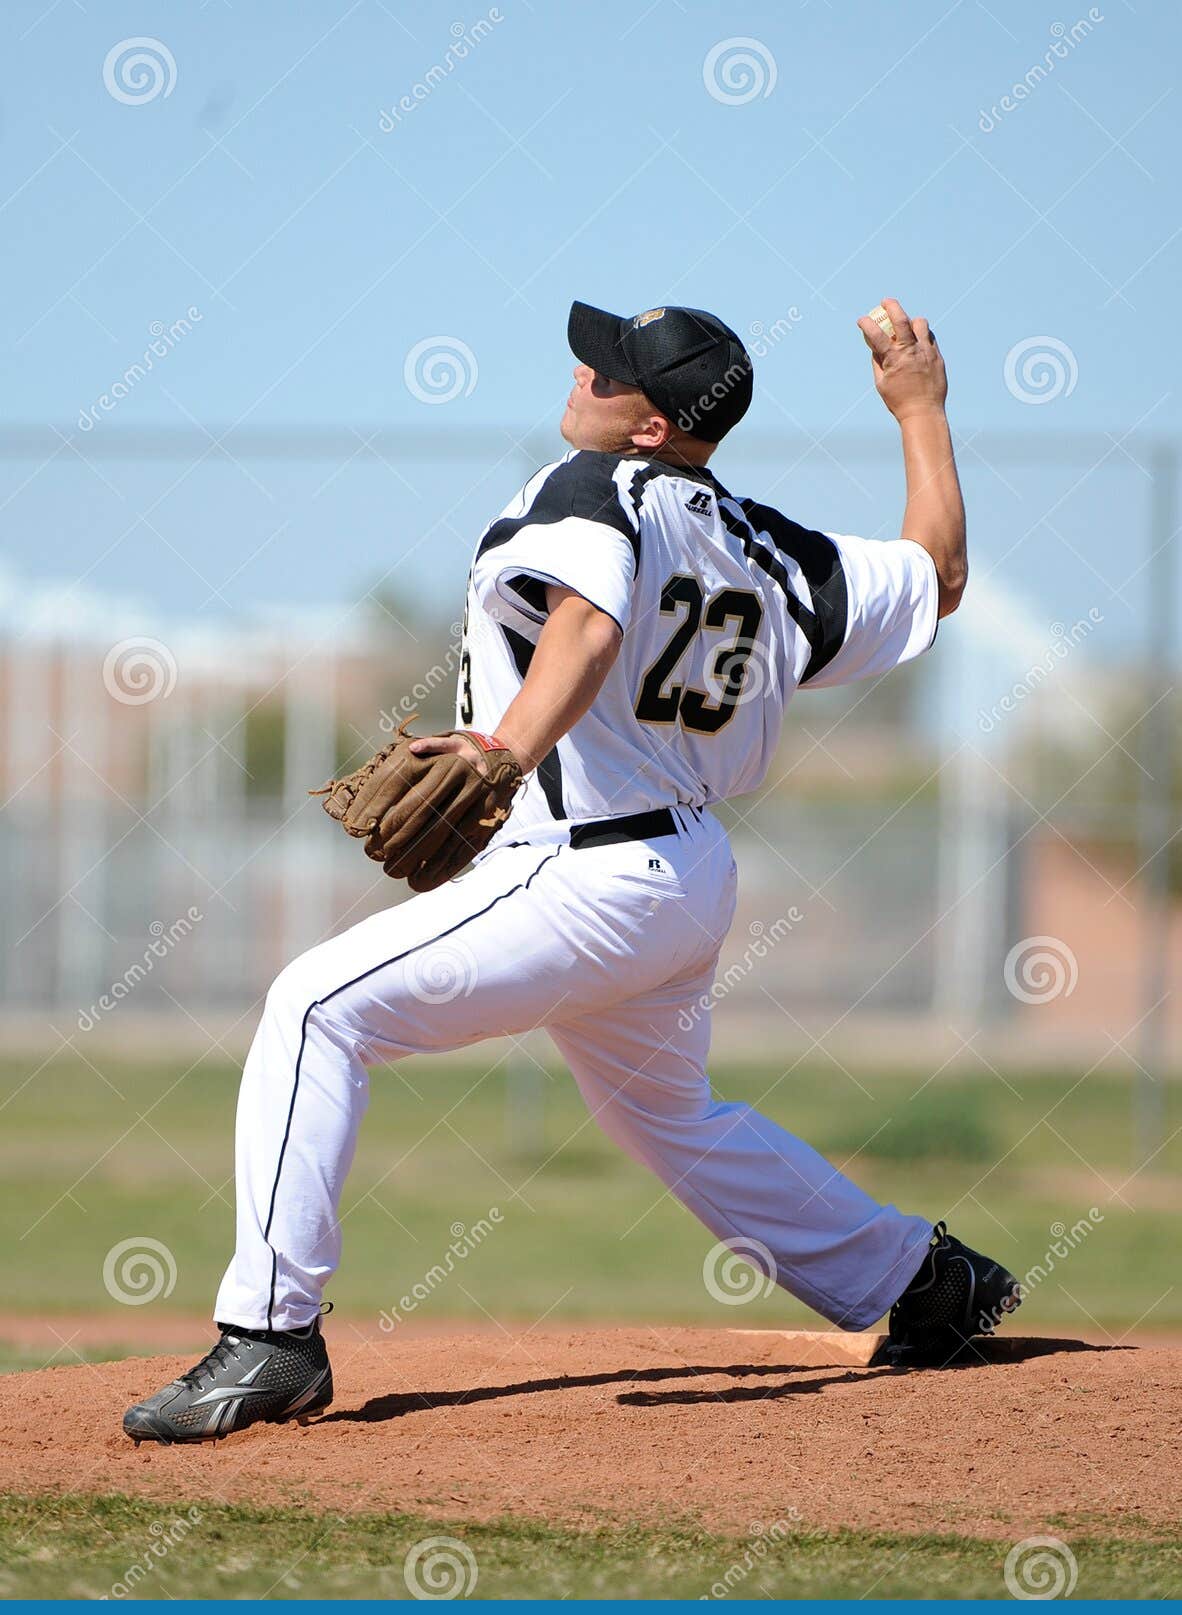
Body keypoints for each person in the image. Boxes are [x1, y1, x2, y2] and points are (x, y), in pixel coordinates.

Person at [123, 296, 1020, 1444]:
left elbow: (588, 623)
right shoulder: (769, 545)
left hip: (582, 867)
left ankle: (270, 1334)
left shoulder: (589, 488)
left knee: (313, 1008)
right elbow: (937, 575)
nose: (585, 377)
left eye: (611, 374)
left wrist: (505, 749)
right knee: (671, 1116)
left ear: (653, 426)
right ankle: (927, 1283)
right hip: (686, 874)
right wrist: (920, 410)